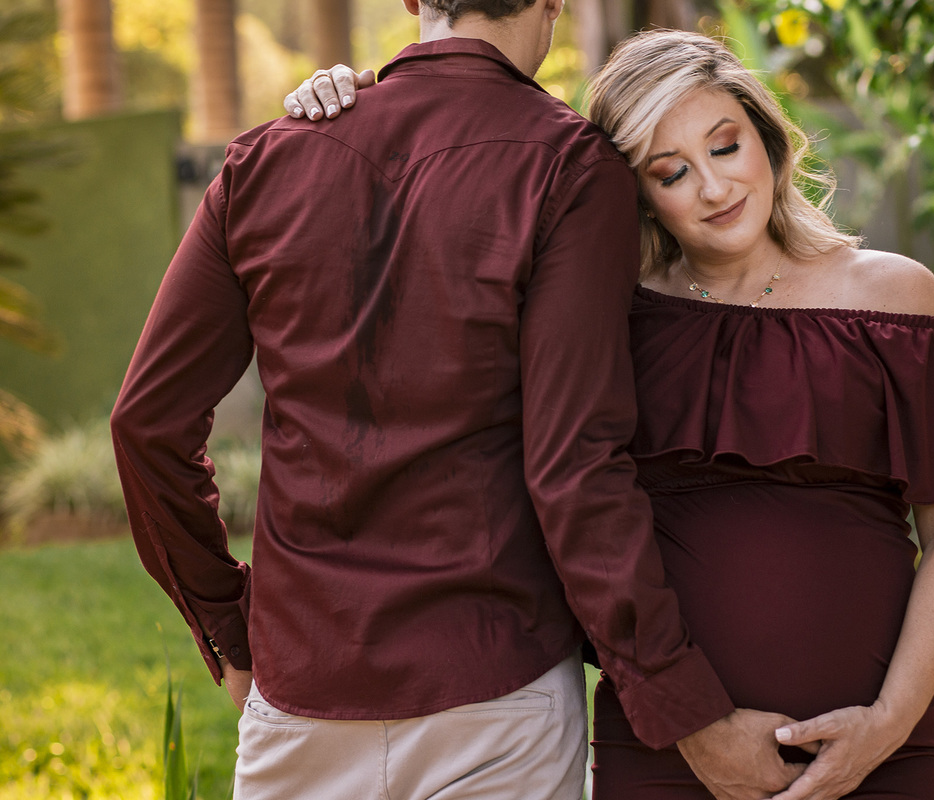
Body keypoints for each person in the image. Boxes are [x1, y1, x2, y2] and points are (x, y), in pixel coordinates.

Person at [289, 27, 934, 800]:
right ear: (636, 194)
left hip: (883, 749)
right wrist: (357, 106)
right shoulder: (608, 319)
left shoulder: (895, 298)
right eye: (671, 171)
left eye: (725, 146)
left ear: (767, 138)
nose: (714, 188)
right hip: (668, 751)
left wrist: (887, 724)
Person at [110, 2, 812, 798]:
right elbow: (573, 468)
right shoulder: (570, 169)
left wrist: (229, 628)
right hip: (496, 696)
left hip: (304, 698)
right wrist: (688, 714)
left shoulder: (268, 157)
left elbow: (146, 426)